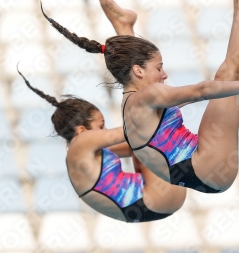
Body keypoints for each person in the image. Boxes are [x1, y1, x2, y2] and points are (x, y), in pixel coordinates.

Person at [40, 0, 239, 194]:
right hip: (205, 166)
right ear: (138, 71)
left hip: (202, 171)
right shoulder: (146, 97)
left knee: (229, 74)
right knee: (229, 70)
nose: (164, 74)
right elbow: (201, 90)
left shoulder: (134, 103)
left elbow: (186, 101)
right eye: (159, 67)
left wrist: (237, 81)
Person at [18, 70, 186, 223]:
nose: (105, 131)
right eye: (101, 126)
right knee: (145, 123)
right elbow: (135, 130)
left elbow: (133, 144)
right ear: (82, 130)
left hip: (150, 207)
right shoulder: (81, 143)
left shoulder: (86, 155)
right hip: (152, 200)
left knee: (146, 135)